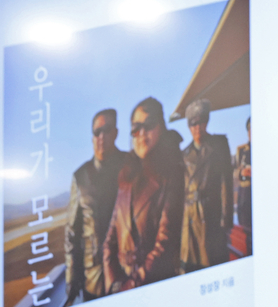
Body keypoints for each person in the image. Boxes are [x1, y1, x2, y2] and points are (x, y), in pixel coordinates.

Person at [103, 97, 185, 292]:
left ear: (161, 128)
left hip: (154, 286)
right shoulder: (127, 175)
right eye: (135, 128)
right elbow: (110, 237)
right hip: (121, 285)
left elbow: (164, 243)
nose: (141, 133)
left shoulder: (171, 173)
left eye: (148, 125)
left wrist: (131, 285)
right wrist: (113, 281)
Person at [64, 109, 130, 306]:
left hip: (126, 276)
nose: (101, 137)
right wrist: (71, 278)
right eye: (96, 132)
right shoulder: (80, 176)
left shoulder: (130, 166)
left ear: (116, 133)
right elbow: (72, 234)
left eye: (106, 130)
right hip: (92, 280)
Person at [178, 99, 233, 272]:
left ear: (206, 122)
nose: (197, 128)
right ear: (188, 127)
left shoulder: (219, 145)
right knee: (190, 267)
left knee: (213, 262)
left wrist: (227, 218)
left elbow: (226, 183)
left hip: (211, 216)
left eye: (201, 123)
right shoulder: (184, 154)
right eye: (193, 124)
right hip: (190, 218)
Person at [234, 116, 252, 236]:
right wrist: (241, 173)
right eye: (249, 128)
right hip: (244, 198)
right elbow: (234, 172)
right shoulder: (241, 150)